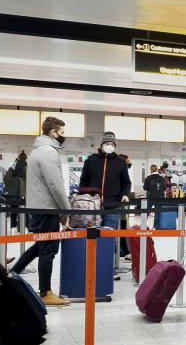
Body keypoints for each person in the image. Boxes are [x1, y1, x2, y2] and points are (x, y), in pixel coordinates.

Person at [9, 117, 71, 307]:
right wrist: (67, 210)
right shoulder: (48, 152)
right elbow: (55, 184)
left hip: (40, 207)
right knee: (48, 250)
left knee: (39, 246)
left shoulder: (37, 151)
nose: (63, 136)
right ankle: (45, 292)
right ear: (53, 133)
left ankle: (12, 274)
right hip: (47, 208)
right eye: (61, 133)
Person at [79, 131, 131, 231]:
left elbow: (126, 182)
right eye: (107, 143)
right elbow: (83, 180)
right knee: (92, 237)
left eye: (112, 144)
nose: (109, 146)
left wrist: (125, 194)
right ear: (102, 145)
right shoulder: (91, 160)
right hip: (92, 206)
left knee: (110, 238)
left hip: (113, 206)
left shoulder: (120, 163)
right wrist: (82, 195)